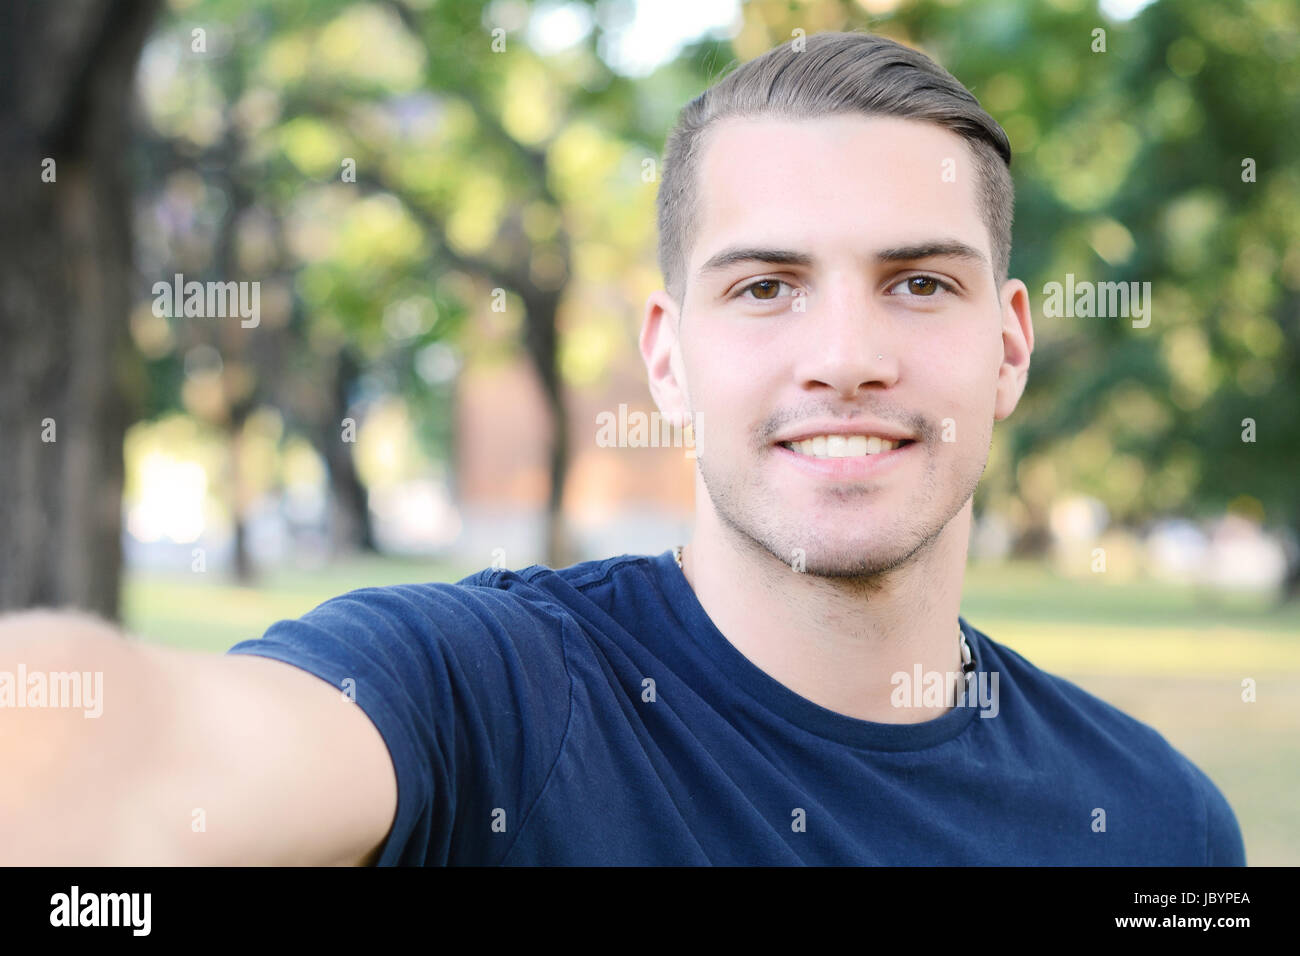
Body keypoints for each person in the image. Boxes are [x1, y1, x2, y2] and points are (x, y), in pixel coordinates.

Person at [0, 30, 1244, 866]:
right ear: (665, 354)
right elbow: (131, 747)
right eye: (765, 288)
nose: (847, 353)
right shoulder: (487, 698)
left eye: (919, 283)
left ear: (1010, 346)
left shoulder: (1156, 824)